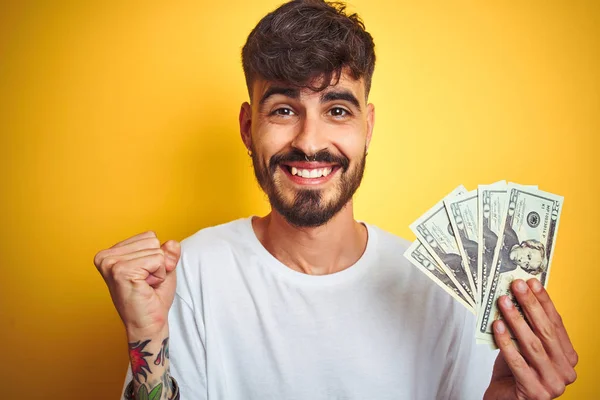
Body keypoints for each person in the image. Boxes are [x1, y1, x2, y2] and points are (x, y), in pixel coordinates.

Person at [93, 1, 578, 399]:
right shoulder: (188, 276)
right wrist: (146, 339)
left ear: (367, 128)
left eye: (337, 109)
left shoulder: (442, 288)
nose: (310, 140)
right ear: (247, 127)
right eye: (284, 109)